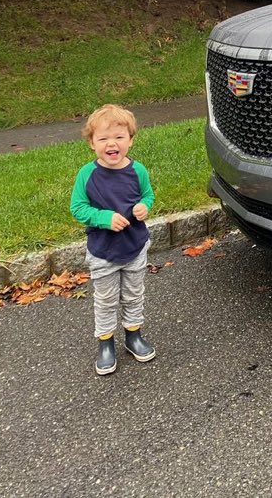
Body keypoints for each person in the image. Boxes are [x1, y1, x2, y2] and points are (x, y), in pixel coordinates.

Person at [70, 104, 156, 376]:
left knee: (133, 295)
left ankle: (133, 335)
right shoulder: (87, 175)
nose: (112, 144)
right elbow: (78, 208)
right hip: (103, 251)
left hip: (135, 246)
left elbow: (148, 195)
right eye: (103, 138)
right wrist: (104, 218)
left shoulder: (138, 171)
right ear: (92, 143)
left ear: (130, 140)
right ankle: (105, 343)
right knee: (106, 300)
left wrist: (144, 206)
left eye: (119, 137)